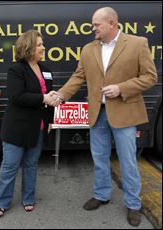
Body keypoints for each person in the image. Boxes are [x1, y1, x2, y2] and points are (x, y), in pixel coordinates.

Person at [56, 7, 157, 226]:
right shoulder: (88, 49)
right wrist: (61, 95)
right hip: (97, 113)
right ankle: (102, 194)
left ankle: (133, 204)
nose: (92, 28)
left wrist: (121, 88)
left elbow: (150, 77)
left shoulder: (137, 43)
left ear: (112, 23)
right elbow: (78, 77)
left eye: (96, 25)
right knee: (99, 158)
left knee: (128, 161)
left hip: (125, 112)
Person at [0, 30, 61, 217]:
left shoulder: (46, 69)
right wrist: (44, 98)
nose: (43, 48)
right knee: (10, 166)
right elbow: (17, 96)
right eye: (39, 45)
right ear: (29, 47)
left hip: (38, 127)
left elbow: (49, 96)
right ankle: (2, 201)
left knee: (31, 164)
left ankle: (28, 198)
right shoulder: (16, 69)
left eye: (42, 44)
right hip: (18, 127)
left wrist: (50, 119)